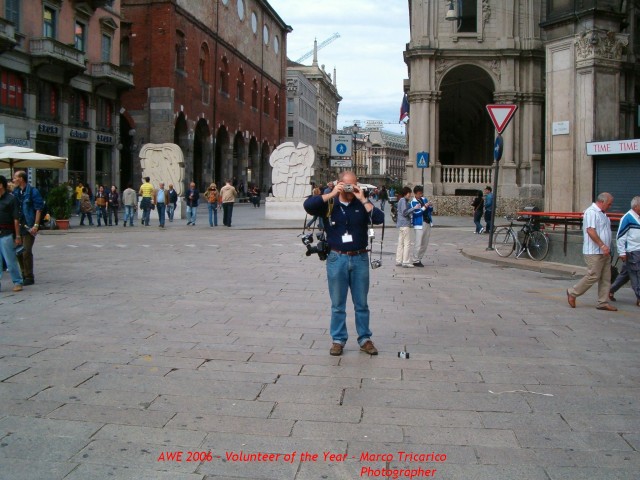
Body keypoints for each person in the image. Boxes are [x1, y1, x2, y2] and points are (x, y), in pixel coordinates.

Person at [303, 171, 384, 357]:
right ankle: (338, 340)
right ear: (339, 184)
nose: (350, 189)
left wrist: (362, 198)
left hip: (360, 258)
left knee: (361, 303)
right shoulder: (330, 204)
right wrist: (331, 193)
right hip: (336, 257)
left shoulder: (361, 203)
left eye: (354, 185)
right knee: (338, 304)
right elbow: (308, 205)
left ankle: (364, 339)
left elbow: (379, 218)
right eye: (347, 185)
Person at [567, 192, 617, 311]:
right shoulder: (591, 212)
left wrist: (607, 247)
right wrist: (602, 245)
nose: (610, 206)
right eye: (609, 204)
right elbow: (590, 230)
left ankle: (603, 302)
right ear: (602, 202)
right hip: (594, 251)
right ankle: (572, 292)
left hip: (604, 251)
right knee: (593, 275)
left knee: (606, 277)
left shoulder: (603, 214)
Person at [12, 170, 44, 286]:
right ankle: (23, 273)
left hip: (29, 226)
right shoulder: (15, 192)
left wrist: (36, 224)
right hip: (17, 226)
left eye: (15, 177)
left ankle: (29, 276)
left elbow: (38, 208)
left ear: (21, 179)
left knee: (26, 251)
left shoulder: (32, 191)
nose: (13, 179)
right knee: (18, 252)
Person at [614, 195, 640, 307]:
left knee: (625, 274)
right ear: (636, 206)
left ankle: (610, 290)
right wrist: (622, 252)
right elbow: (620, 236)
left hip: (638, 249)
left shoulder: (638, 217)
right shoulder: (627, 218)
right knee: (636, 274)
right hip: (632, 251)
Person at [0, 175, 23, 292]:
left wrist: (17, 235)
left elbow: (16, 219)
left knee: (10, 260)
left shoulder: (11, 199)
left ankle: (17, 281)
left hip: (7, 233)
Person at [410, 185, 433, 267]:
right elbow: (416, 213)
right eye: (419, 193)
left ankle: (419, 258)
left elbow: (430, 210)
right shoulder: (413, 202)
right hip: (419, 224)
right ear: (415, 194)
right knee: (418, 243)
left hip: (427, 222)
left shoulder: (424, 199)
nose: (420, 195)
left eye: (421, 193)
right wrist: (424, 207)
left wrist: (430, 206)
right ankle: (415, 259)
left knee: (425, 243)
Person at [395, 186, 415, 268]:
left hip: (401, 224)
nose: (410, 195)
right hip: (405, 224)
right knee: (407, 243)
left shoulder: (401, 200)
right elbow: (404, 212)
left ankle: (398, 260)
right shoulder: (403, 200)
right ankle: (405, 261)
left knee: (401, 243)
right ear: (406, 193)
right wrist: (413, 208)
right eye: (409, 193)